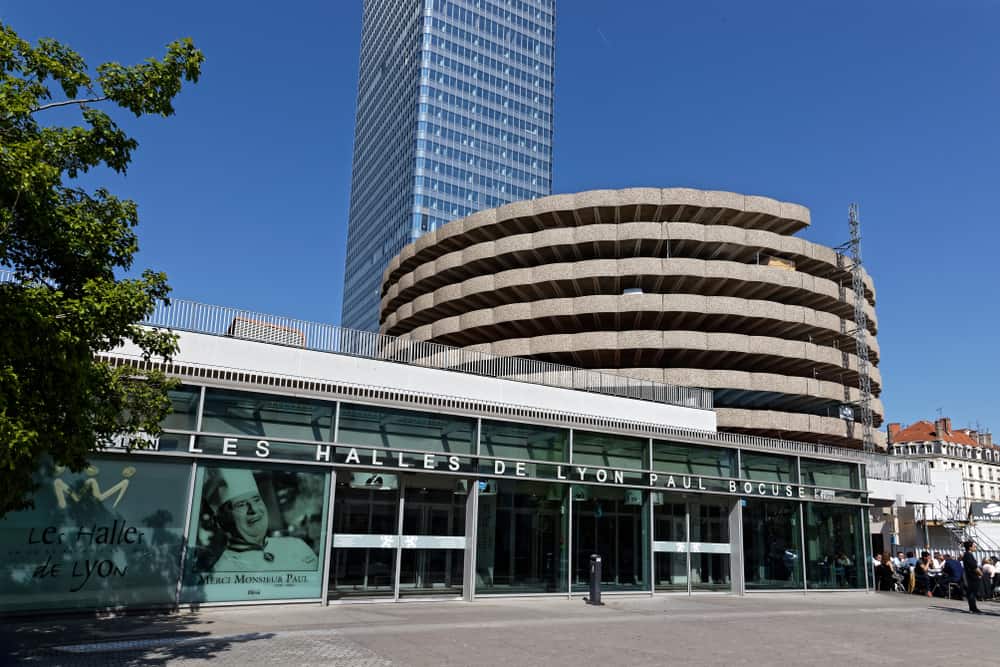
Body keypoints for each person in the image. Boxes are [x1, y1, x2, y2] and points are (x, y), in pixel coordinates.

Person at [204, 468, 319, 573]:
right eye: (241, 505)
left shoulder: (297, 546)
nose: (253, 509)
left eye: (256, 500)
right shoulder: (221, 571)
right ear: (221, 520)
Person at [961, 541, 982, 614]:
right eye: (974, 546)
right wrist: (980, 574)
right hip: (973, 576)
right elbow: (974, 566)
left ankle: (973, 608)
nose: (975, 547)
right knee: (972, 592)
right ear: (970, 547)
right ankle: (973, 608)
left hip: (970, 575)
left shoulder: (967, 554)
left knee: (971, 592)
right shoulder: (968, 555)